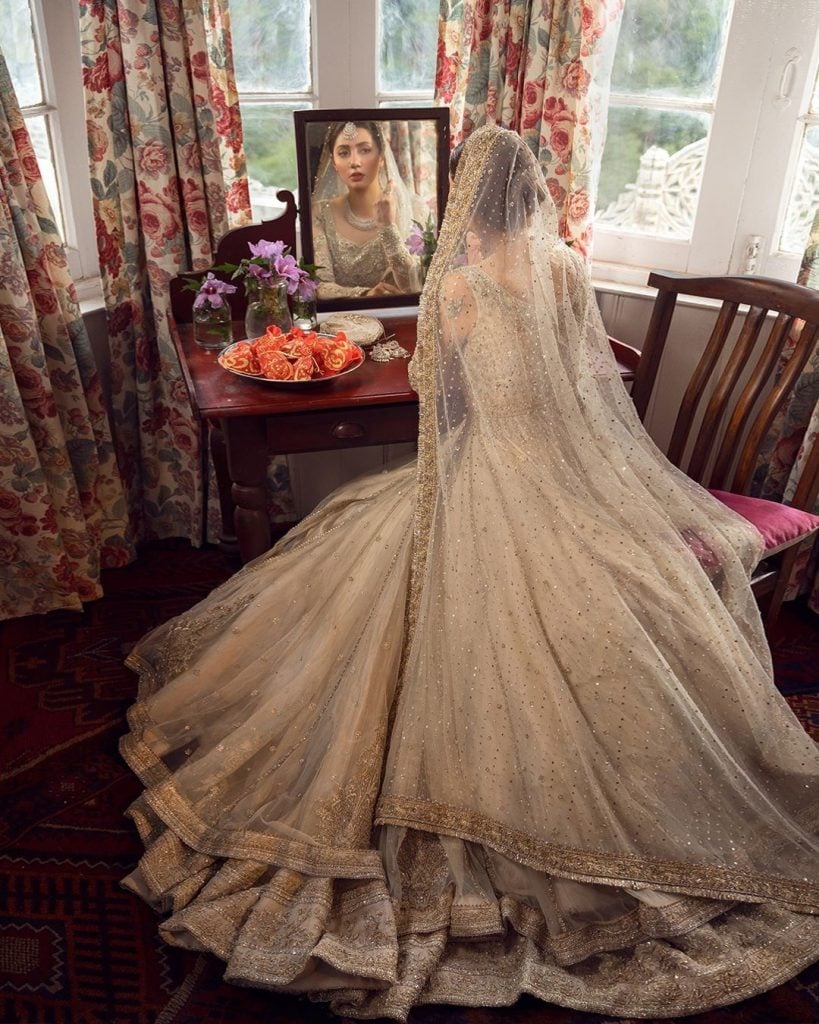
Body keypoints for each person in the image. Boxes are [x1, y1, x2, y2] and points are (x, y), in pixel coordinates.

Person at [121, 124, 819, 1021]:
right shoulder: (565, 268)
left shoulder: (455, 284)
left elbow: (438, 395)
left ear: (463, 203)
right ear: (529, 196)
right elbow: (581, 384)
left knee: (357, 550)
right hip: (566, 475)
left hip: (489, 470)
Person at [310, 119, 427, 299]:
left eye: (365, 150)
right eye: (343, 153)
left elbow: (415, 285)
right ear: (334, 163)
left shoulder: (414, 208)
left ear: (381, 158)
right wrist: (366, 294)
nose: (355, 162)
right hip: (342, 319)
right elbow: (320, 286)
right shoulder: (320, 213)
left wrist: (387, 227)